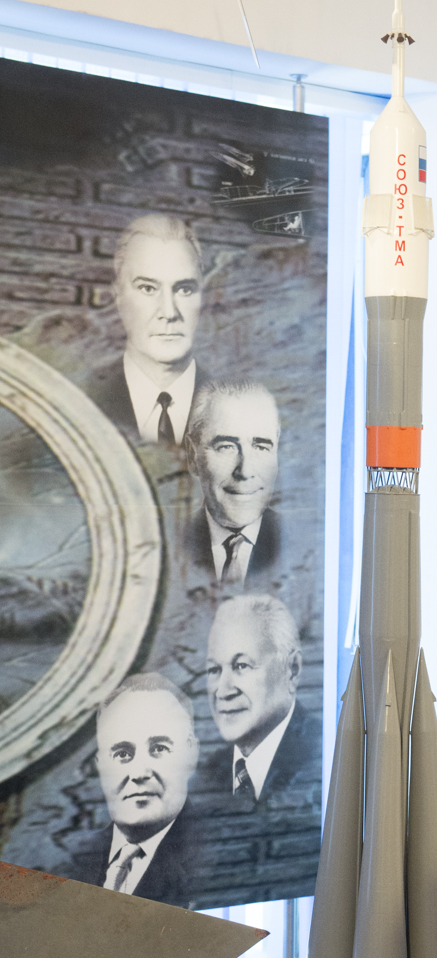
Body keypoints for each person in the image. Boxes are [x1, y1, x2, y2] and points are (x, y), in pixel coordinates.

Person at [72, 673, 203, 906]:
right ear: (100, 765)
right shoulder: (77, 860)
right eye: (122, 754)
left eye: (159, 748)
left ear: (191, 754)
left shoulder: (216, 856)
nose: (139, 773)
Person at [88, 214, 207, 447]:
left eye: (184, 289)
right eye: (148, 288)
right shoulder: (77, 401)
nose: (169, 312)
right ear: (118, 297)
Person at [202, 594, 320, 809]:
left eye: (242, 666)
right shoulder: (209, 774)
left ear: (292, 670)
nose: (223, 691)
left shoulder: (325, 757)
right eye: (214, 669)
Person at [183, 380, 282, 586]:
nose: (245, 471)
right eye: (226, 447)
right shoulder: (168, 545)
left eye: (261, 447)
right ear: (193, 456)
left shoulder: (310, 546)